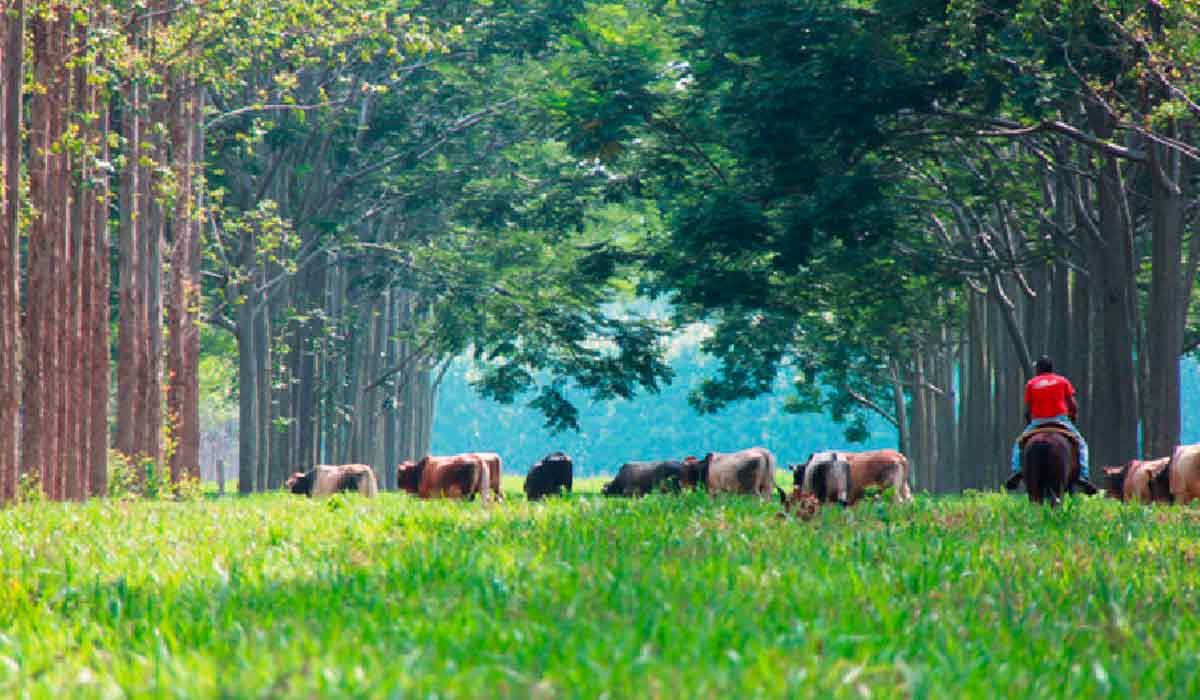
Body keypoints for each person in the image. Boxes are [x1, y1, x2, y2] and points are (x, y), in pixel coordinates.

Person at [1005, 355, 1093, 492]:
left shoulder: (1031, 384)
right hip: (1060, 420)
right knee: (1081, 445)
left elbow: (1027, 410)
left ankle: (1016, 472)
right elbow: (1073, 405)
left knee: (1018, 444)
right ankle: (1083, 475)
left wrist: (1029, 422)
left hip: (1038, 421)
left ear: (1038, 369)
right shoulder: (1063, 381)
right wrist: (1073, 417)